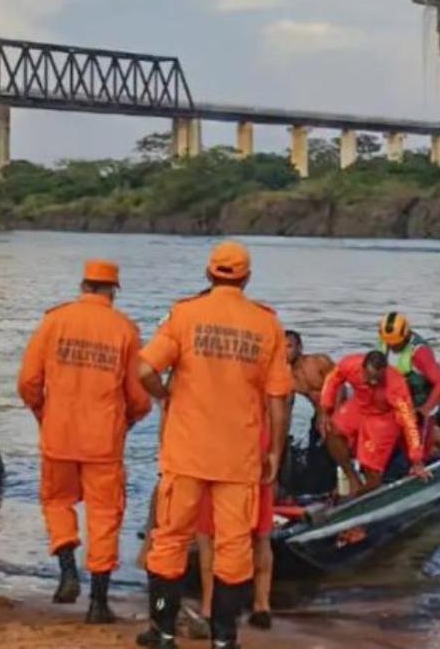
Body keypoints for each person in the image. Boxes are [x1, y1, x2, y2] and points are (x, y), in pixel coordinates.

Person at [137, 240, 292, 649]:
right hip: (238, 458)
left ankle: (163, 631)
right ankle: (224, 639)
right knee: (234, 545)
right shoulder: (266, 324)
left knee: (169, 537)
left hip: (186, 452)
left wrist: (166, 397)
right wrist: (275, 452)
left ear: (209, 274)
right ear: (246, 278)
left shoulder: (185, 315)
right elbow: (278, 399)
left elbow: (143, 369)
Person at [17, 259, 151, 624]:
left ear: (83, 285)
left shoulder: (53, 321)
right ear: (113, 290)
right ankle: (98, 603)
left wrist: (44, 413)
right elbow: (138, 396)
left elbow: (28, 381)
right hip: (103, 440)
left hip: (58, 434)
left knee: (56, 501)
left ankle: (67, 571)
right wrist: (130, 419)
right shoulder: (125, 329)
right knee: (104, 515)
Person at [194, 418, 274, 631]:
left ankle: (209, 607)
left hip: (213, 446)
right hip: (255, 441)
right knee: (261, 534)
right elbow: (279, 406)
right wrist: (275, 451)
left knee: (208, 535)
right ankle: (262, 605)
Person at [317, 350, 428, 496]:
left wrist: (416, 460)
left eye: (378, 379)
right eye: (369, 377)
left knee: (372, 470)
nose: (373, 382)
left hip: (383, 417)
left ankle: (364, 495)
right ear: (362, 369)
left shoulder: (396, 385)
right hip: (359, 405)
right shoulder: (350, 364)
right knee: (331, 429)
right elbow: (333, 378)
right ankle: (353, 479)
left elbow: (409, 422)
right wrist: (325, 408)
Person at [377, 312, 440, 459]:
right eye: (389, 343)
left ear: (406, 335)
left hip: (421, 401)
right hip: (398, 401)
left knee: (424, 443)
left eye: (396, 344)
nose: (392, 347)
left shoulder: (419, 353)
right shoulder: (385, 343)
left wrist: (425, 409)